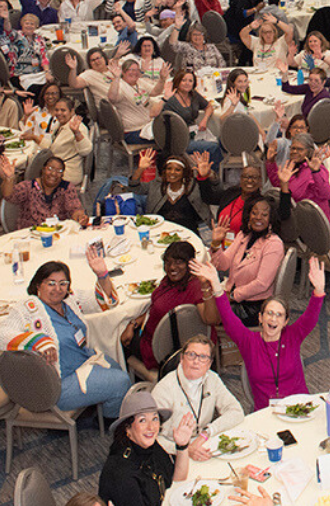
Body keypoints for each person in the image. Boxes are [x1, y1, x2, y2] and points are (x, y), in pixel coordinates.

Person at [0, 254, 133, 418]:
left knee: (116, 369)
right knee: (121, 381)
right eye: (51, 283)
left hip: (83, 363)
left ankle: (100, 413)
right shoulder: (28, 308)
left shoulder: (70, 301)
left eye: (63, 284)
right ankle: (111, 424)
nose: (57, 289)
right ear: (39, 285)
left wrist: (102, 275)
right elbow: (0, 337)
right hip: (58, 384)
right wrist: (40, 341)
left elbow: (103, 302)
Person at [199, 253, 323, 410]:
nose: (273, 319)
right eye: (269, 313)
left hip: (300, 407)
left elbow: (310, 318)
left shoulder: (293, 336)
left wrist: (319, 290)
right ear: (260, 318)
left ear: (285, 322)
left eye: (279, 315)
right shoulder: (249, 342)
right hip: (267, 413)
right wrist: (216, 286)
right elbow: (229, 318)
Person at [120, 241, 216, 371]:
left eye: (178, 262)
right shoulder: (169, 281)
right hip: (159, 337)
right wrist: (133, 324)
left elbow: (211, 319)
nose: (172, 268)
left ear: (190, 263)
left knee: (118, 338)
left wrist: (205, 286)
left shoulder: (196, 287)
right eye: (168, 262)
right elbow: (154, 309)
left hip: (165, 351)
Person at [97, 390, 197, 506]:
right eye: (142, 420)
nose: (151, 427)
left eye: (155, 418)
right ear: (127, 428)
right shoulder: (121, 473)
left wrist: (182, 446)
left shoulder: (150, 447)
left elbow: (177, 480)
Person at [151, 335, 244, 457]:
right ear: (181, 359)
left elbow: (236, 412)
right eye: (191, 355)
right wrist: (183, 449)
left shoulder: (212, 379)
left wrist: (206, 433)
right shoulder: (163, 390)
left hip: (202, 445)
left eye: (203, 357)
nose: (196, 361)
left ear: (209, 364)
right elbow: (153, 437)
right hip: (171, 453)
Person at [210, 194, 286, 325]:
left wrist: (233, 296)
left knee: (209, 315)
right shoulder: (244, 235)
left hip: (253, 306)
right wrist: (216, 244)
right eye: (254, 213)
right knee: (202, 304)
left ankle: (219, 343)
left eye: (264, 214)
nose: (258, 217)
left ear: (271, 218)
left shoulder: (274, 244)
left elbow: (262, 283)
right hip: (232, 293)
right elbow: (223, 265)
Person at [0, 153, 89, 228]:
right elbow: (9, 196)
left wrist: (80, 217)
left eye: (59, 171)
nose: (53, 173)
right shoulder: (29, 187)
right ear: (43, 170)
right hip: (31, 235)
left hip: (57, 235)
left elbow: (75, 207)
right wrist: (9, 179)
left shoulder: (66, 188)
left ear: (62, 175)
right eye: (50, 169)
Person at [266, 134, 330, 227]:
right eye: (292, 148)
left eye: (299, 149)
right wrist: (271, 163)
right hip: (295, 217)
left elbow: (326, 194)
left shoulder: (315, 169)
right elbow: (280, 186)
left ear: (309, 151)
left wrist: (316, 172)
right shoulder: (292, 166)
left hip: (315, 223)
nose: (294, 151)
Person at [161, 69, 222, 165]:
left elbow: (209, 106)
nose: (187, 83)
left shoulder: (193, 95)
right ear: (178, 81)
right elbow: (156, 115)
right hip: (179, 140)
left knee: (221, 141)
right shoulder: (171, 99)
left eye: (190, 81)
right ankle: (213, 175)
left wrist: (204, 120)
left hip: (194, 134)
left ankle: (208, 170)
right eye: (184, 80)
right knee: (214, 147)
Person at [35, 97, 92, 187]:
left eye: (63, 110)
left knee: (30, 177)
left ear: (72, 111)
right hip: (54, 167)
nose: (59, 113)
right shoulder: (59, 124)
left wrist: (77, 133)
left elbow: (86, 150)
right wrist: (34, 138)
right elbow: (52, 145)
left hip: (67, 172)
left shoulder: (79, 127)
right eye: (56, 110)